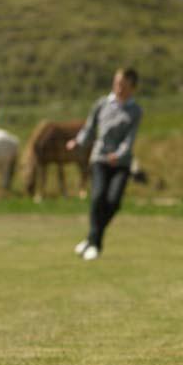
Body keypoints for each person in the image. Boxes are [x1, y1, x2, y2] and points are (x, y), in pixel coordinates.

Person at [66, 68, 143, 261]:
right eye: (116, 83)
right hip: (100, 159)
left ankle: (91, 237)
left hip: (121, 162)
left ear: (132, 88)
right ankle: (95, 245)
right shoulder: (101, 104)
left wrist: (118, 154)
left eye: (123, 85)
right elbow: (89, 128)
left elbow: (130, 139)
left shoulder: (135, 111)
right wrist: (78, 141)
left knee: (113, 202)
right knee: (98, 197)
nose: (118, 88)